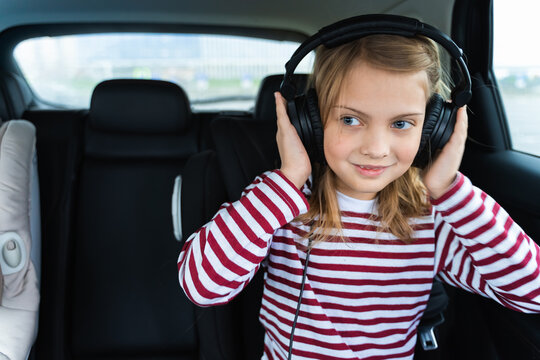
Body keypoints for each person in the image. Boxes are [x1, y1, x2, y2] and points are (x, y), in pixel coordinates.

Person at [177, 31, 540, 359]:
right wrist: (287, 181)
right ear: (311, 121)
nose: (377, 148)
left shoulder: (432, 219)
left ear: (434, 129)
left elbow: (532, 291)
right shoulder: (277, 204)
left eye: (401, 123)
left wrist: (450, 192)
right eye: (351, 120)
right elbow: (201, 286)